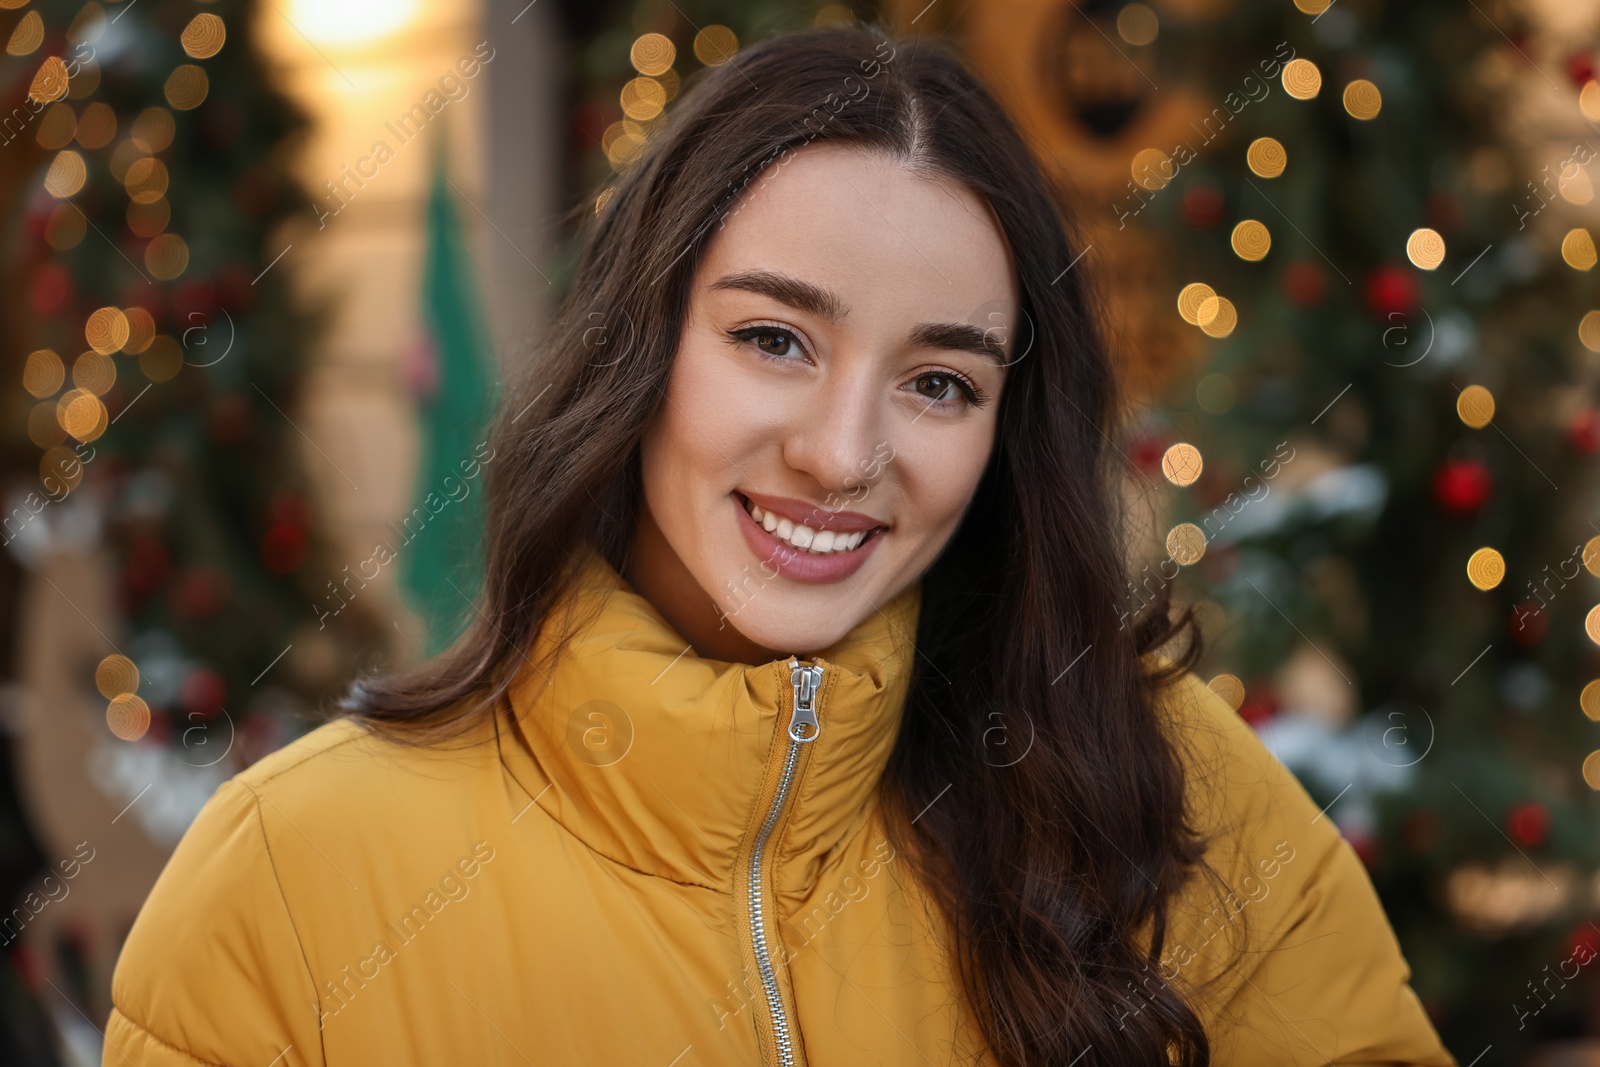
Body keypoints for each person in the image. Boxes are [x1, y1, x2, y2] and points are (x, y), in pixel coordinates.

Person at [102, 24, 1456, 1067]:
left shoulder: (1148, 777)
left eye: (942, 381)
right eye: (773, 340)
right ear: (641, 349)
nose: (841, 452)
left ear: (1006, 436)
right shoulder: (295, 873)